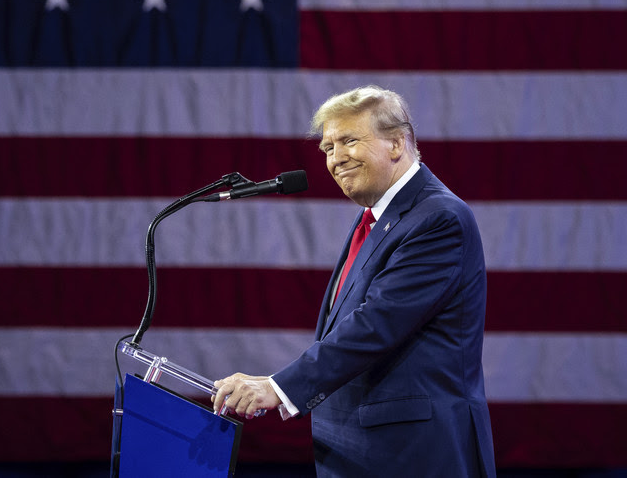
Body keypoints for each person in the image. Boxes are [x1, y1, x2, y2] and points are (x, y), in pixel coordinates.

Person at [212, 85, 496, 477]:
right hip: (364, 451)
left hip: (416, 454)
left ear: (397, 143)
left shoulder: (437, 219)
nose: (336, 158)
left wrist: (278, 387)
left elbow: (376, 324)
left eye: (348, 141)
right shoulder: (377, 217)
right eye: (328, 148)